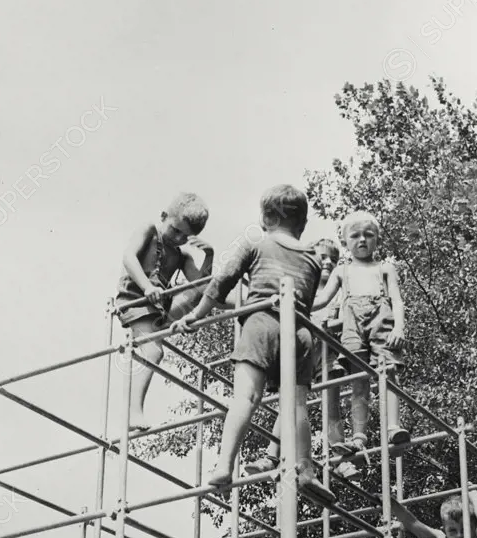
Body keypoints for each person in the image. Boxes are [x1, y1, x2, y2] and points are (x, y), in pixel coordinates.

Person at [170, 184, 332, 501]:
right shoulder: (313, 258)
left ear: (265, 218)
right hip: (300, 332)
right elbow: (308, 304)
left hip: (262, 323)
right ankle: (306, 469)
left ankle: (224, 464)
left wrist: (197, 314)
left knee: (246, 396)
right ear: (302, 224)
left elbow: (222, 281)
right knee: (296, 405)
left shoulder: (256, 243)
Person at [243, 237, 355, 480]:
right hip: (302, 350)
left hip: (327, 353)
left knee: (331, 409)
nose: (327, 262)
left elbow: (346, 322)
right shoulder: (302, 286)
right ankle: (271, 456)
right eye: (322, 256)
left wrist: (330, 325)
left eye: (333, 259)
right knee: (290, 405)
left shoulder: (336, 293)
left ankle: (339, 460)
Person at [314, 211, 409, 471]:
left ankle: (393, 428)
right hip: (352, 324)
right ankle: (359, 436)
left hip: (382, 320)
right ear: (345, 241)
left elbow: (397, 300)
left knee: (388, 371)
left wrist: (399, 326)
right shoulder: (342, 270)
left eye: (368, 235)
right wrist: (293, 300)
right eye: (355, 236)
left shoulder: (385, 268)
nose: (362, 240)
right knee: (358, 379)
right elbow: (322, 300)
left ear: (377, 238)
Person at [115, 193, 214, 431]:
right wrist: (147, 286)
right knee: (152, 351)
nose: (179, 238)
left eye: (185, 237)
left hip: (160, 307)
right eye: (175, 230)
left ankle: (248, 303)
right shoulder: (149, 230)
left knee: (208, 294)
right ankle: (134, 412)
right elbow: (129, 257)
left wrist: (209, 256)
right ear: (163, 216)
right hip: (136, 301)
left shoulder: (182, 254)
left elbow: (200, 286)